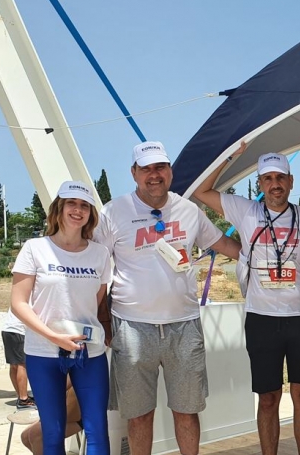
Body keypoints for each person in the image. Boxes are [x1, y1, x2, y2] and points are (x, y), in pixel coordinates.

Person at [193, 145, 300, 455]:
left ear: (291, 181)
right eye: (268, 178)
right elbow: (202, 191)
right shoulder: (246, 211)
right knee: (268, 397)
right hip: (261, 319)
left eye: (281, 178)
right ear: (260, 183)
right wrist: (230, 156)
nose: (275, 184)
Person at [94, 141, 240, 455]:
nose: (154, 175)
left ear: (170, 171)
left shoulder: (189, 210)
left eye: (160, 167)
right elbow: (96, 268)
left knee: (187, 411)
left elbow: (224, 245)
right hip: (132, 327)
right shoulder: (113, 212)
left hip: (183, 325)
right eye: (146, 168)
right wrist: (103, 319)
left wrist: (261, 256)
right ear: (134, 173)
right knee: (139, 415)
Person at [10, 180, 111, 455]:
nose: (78, 210)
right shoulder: (35, 248)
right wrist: (54, 336)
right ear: (59, 208)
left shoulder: (100, 254)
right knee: (52, 432)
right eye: (71, 203)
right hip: (43, 352)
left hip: (88, 352)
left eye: (84, 206)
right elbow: (18, 303)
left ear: (91, 213)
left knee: (97, 429)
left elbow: (95, 301)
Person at [22, 378, 83, 455]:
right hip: (63, 409)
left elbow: (73, 416)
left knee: (36, 434)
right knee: (25, 436)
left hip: (82, 414)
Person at [1, 308, 34, 409]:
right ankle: (23, 399)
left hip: (7, 330)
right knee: (22, 365)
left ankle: (21, 396)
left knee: (14, 365)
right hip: (18, 331)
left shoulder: (19, 299)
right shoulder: (31, 300)